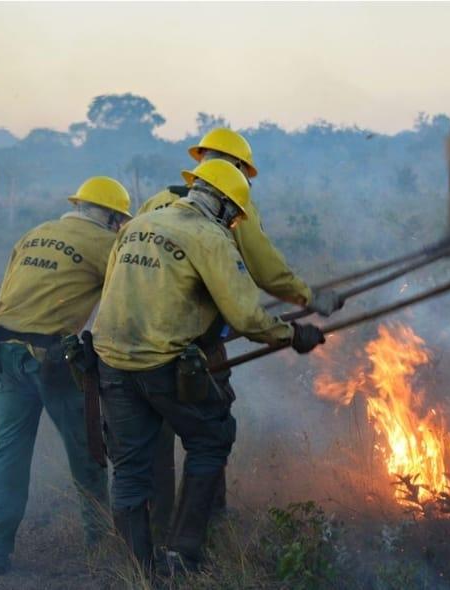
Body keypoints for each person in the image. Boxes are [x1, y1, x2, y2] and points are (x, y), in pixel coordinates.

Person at [92, 159, 326, 571]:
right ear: (221, 205)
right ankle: (183, 554)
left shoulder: (137, 225)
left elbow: (115, 288)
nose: (235, 224)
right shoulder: (209, 235)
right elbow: (247, 317)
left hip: (109, 361)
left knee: (129, 468)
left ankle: (139, 571)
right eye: (234, 217)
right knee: (211, 439)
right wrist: (293, 335)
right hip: (163, 363)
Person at [138, 128, 343, 543]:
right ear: (233, 169)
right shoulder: (227, 206)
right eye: (243, 174)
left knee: (152, 441)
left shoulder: (156, 201)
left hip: (137, 345)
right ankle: (206, 526)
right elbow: (265, 268)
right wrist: (308, 297)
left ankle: (156, 534)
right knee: (211, 431)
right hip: (192, 346)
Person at [0, 177, 132, 574]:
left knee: (8, 456)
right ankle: (100, 552)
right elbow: (125, 303)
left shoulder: (36, 233)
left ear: (79, 206)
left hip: (2, 352)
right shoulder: (108, 244)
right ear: (113, 217)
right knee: (88, 455)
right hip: (52, 361)